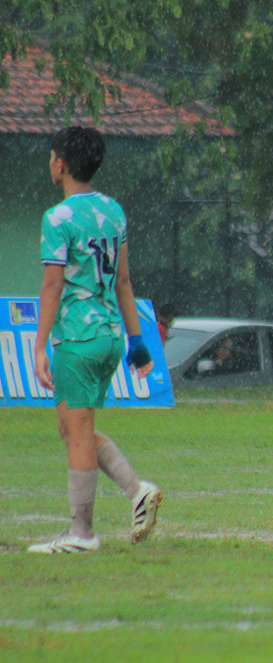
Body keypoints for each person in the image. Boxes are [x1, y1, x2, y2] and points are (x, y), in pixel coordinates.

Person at [29, 126, 162, 554]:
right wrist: (137, 340)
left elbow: (52, 288)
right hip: (108, 336)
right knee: (73, 429)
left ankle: (82, 534)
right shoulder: (113, 210)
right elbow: (123, 280)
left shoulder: (58, 217)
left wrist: (38, 345)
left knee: (79, 432)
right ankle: (136, 490)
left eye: (53, 155)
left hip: (78, 338)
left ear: (61, 163)